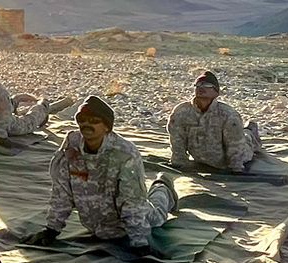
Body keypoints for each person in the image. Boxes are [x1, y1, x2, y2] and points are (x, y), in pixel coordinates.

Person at [24, 97, 179, 252]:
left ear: (106, 126)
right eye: (82, 120)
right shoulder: (72, 147)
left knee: (157, 213)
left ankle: (162, 186)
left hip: (126, 223)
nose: (87, 124)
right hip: (96, 226)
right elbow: (62, 193)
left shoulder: (125, 154)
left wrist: (140, 242)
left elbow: (132, 203)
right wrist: (51, 230)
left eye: (94, 120)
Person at [168, 71, 261, 171]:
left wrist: (235, 168)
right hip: (201, 159)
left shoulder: (228, 115)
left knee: (247, 141)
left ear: (216, 92)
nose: (201, 88)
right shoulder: (181, 112)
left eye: (207, 85)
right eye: (197, 85)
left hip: (231, 156)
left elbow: (236, 147)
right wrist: (178, 164)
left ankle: (251, 131)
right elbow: (176, 141)